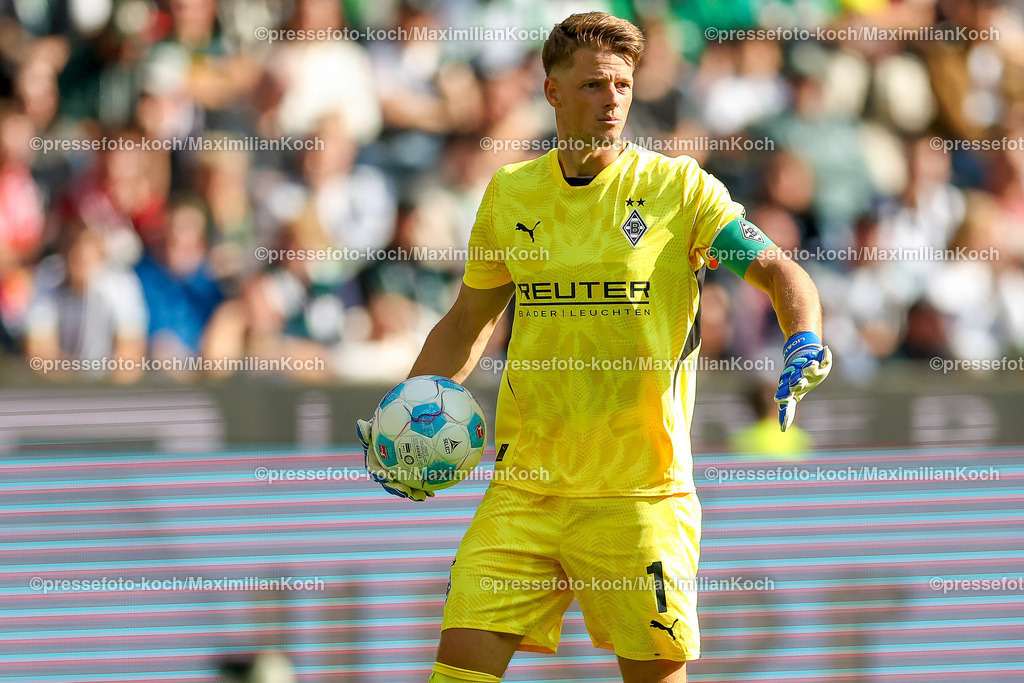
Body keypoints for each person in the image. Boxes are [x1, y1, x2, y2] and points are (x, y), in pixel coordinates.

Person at [357, 12, 832, 683]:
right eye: (592, 85)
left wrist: (803, 335)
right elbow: (467, 322)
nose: (611, 99)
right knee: (456, 669)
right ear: (551, 91)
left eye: (622, 84)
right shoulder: (510, 194)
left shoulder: (679, 191)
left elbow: (781, 271)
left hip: (640, 495)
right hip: (525, 488)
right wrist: (399, 411)